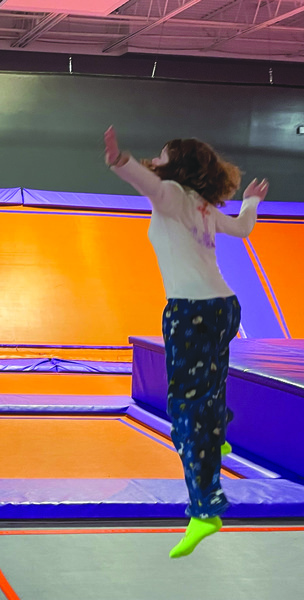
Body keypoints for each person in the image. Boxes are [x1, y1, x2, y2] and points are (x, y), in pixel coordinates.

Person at [104, 126, 268, 559]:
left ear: (175, 165)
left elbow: (148, 182)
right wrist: (251, 201)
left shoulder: (173, 194)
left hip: (191, 312)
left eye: (160, 155)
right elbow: (244, 228)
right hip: (223, 308)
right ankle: (217, 437)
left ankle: (205, 508)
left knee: (185, 409)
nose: (155, 161)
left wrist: (120, 161)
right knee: (209, 388)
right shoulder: (202, 204)